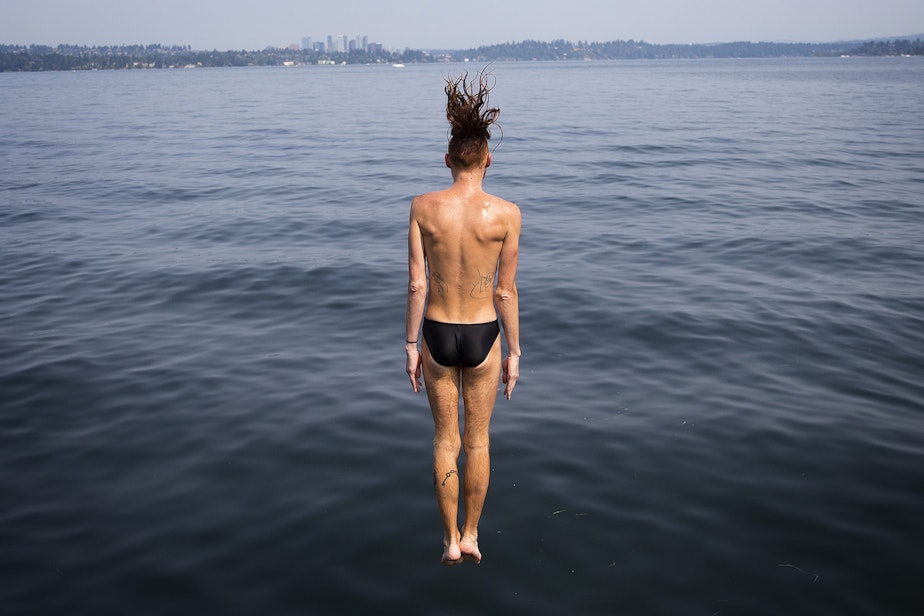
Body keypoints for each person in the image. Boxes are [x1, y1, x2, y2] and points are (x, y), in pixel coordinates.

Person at [405, 70, 521, 566]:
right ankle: (472, 534)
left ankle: (448, 539)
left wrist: (411, 345)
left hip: (435, 332)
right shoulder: (507, 214)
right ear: (488, 160)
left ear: (448, 160)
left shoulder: (423, 207)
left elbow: (416, 283)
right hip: (482, 335)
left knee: (444, 440)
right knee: (477, 440)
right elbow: (506, 291)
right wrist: (514, 352)